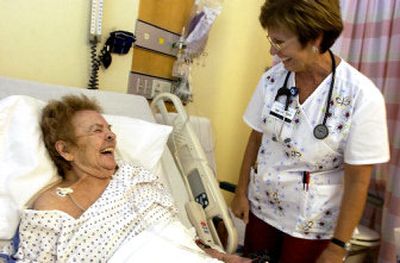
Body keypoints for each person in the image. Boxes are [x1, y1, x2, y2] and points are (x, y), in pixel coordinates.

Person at [1, 94, 250, 262]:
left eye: (109, 129)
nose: (110, 136)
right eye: (97, 130)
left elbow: (180, 235)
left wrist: (223, 256)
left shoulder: (138, 177)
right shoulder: (53, 206)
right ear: (65, 150)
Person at [230, 0, 390, 263]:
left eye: (280, 42)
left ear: (315, 37)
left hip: (312, 227)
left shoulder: (362, 96)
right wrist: (240, 193)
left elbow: (358, 180)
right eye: (271, 39)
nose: (272, 50)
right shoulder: (272, 80)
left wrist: (338, 247)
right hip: (262, 212)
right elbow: (256, 137)